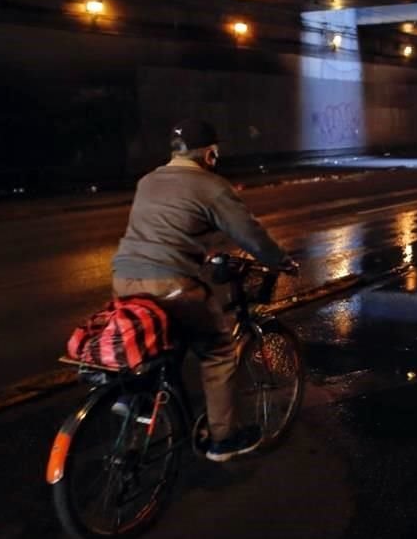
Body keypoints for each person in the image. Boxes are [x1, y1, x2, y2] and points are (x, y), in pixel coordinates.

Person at [111, 118, 292, 461]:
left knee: (160, 344)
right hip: (170, 282)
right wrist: (280, 259)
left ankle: (138, 397)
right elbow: (249, 234)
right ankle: (224, 439)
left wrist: (204, 252)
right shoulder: (210, 184)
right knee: (219, 349)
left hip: (124, 277)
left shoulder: (148, 181)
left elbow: (165, 228)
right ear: (210, 153)